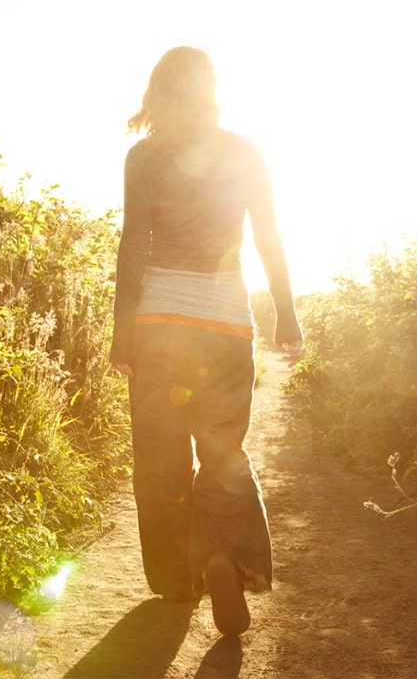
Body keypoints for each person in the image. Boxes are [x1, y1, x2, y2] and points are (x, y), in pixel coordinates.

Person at [110, 46, 303, 636]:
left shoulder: (143, 158)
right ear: (211, 88)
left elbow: (134, 246)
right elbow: (268, 235)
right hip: (225, 325)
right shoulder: (244, 153)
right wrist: (286, 313)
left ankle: (177, 581)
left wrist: (122, 333)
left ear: (157, 91)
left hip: (161, 327)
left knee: (161, 459)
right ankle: (223, 555)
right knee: (222, 451)